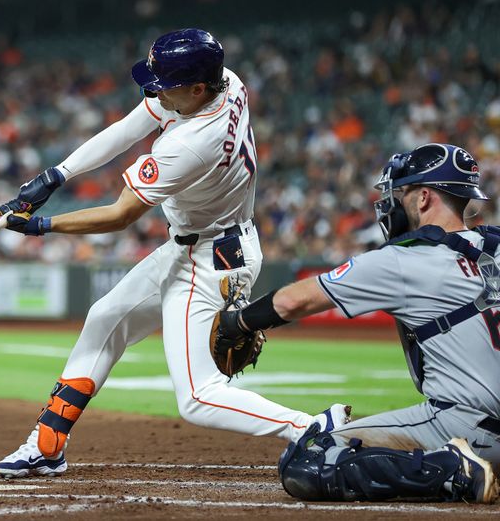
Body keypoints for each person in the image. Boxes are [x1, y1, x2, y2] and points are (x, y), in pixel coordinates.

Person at [0, 28, 349, 479]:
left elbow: (121, 215)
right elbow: (131, 125)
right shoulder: (224, 82)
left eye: (164, 83)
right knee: (106, 317)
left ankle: (313, 428)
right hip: (201, 243)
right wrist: (57, 175)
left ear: (197, 88)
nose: (154, 89)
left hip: (211, 259)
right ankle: (48, 443)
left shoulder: (191, 144)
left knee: (197, 396)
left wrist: (41, 225)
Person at [212, 143, 499, 503]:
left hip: (469, 427)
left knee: (308, 459)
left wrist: (237, 322)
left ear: (423, 198)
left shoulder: (403, 260)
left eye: (402, 192)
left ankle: (453, 471)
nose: (393, 202)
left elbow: (293, 301)